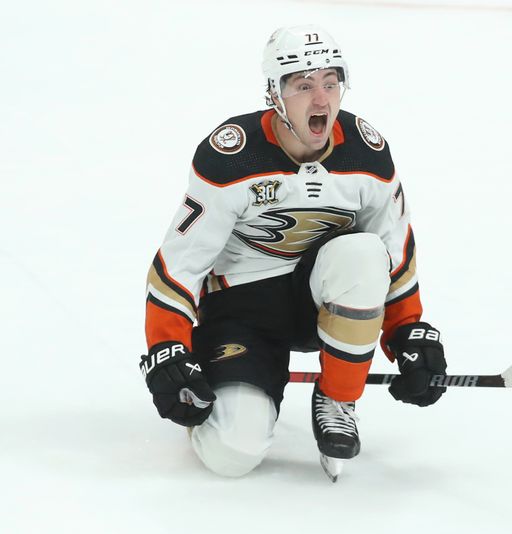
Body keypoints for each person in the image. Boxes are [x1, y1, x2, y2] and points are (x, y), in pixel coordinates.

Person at [138, 24, 447, 478]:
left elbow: (393, 253)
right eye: (303, 86)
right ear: (275, 95)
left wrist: (408, 335)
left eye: (330, 82)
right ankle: (232, 390)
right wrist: (168, 347)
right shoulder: (232, 156)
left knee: (362, 253)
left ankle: (338, 396)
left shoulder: (368, 155)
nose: (321, 100)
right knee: (233, 456)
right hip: (241, 310)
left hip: (317, 299)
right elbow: (181, 264)